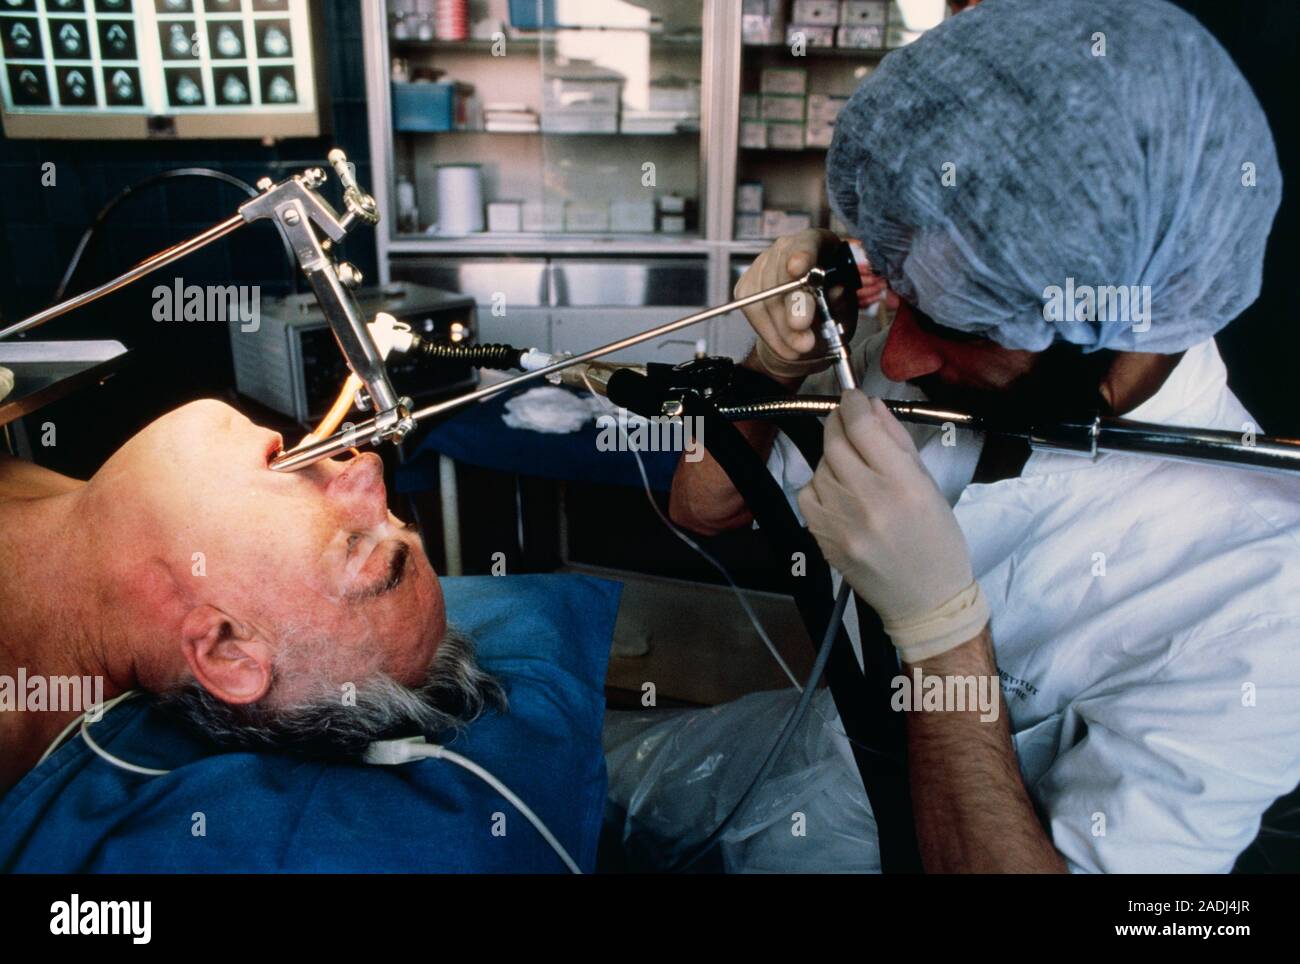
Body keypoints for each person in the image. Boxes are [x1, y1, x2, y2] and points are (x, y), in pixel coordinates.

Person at [604, 0, 1300, 873]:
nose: (896, 352)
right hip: (782, 761)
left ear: (1119, 337)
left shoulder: (1264, 596)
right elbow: (703, 507)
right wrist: (768, 368)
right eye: (903, 291)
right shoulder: (957, 318)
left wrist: (944, 640)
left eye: (959, 326)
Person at [0, 398, 502, 794]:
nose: (368, 467)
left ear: (227, 650)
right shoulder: (86, 515)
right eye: (395, 518)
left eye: (356, 544)